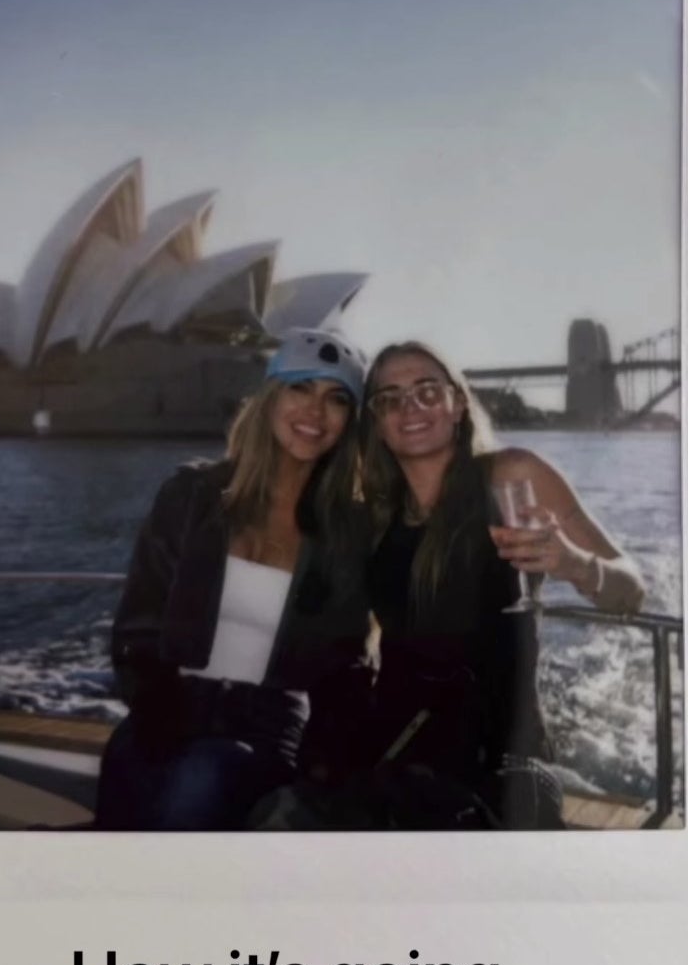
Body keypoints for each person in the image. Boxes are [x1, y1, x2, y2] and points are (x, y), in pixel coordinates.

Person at [94, 327, 373, 830]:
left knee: (200, 779)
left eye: (337, 399)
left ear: (350, 422)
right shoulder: (191, 495)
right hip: (169, 706)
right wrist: (156, 707)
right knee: (126, 765)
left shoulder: (347, 533)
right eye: (300, 387)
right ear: (270, 397)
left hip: (269, 724)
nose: (315, 412)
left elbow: (347, 664)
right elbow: (138, 623)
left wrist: (327, 762)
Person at [358, 340, 645, 829]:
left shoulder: (512, 476)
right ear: (377, 422)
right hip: (395, 748)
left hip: (498, 761)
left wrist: (575, 564)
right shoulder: (375, 510)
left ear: (458, 403)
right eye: (390, 399)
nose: (410, 408)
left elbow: (632, 591)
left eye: (428, 391)